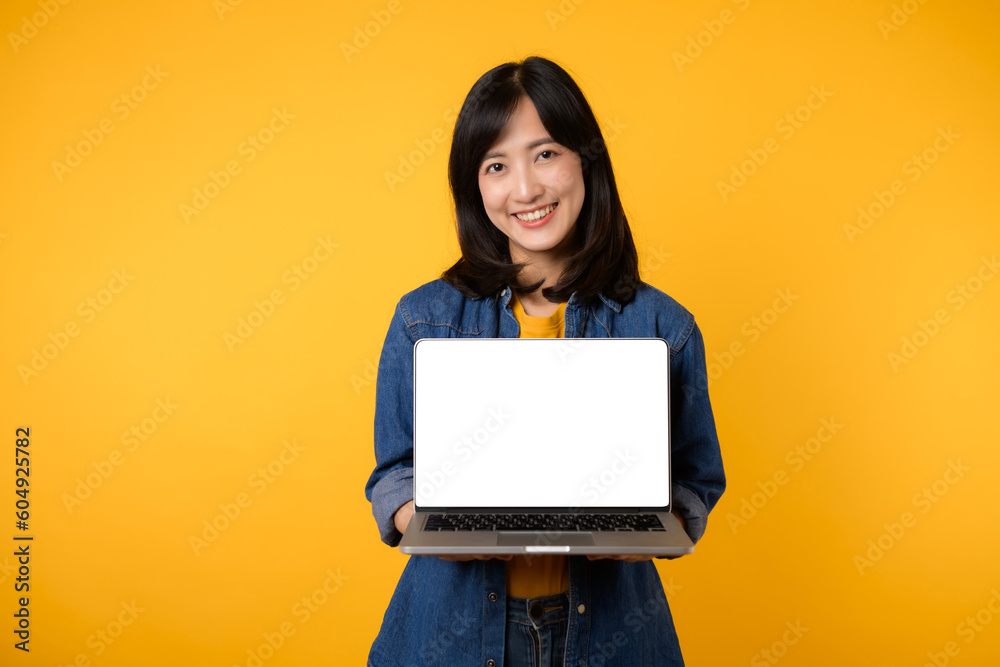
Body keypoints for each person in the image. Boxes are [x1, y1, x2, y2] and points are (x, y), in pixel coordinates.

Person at [364, 56, 725, 667]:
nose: (525, 189)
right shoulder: (422, 319)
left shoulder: (665, 326)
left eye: (546, 153)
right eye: (497, 166)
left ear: (586, 159)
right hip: (447, 635)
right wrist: (423, 521)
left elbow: (696, 481)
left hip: (611, 636)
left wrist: (659, 527)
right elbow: (393, 472)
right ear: (474, 186)